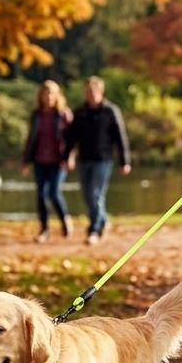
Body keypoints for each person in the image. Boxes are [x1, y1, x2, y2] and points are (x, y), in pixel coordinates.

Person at [64, 76, 131, 245]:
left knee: (95, 193)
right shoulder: (80, 112)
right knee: (87, 195)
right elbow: (72, 138)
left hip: (103, 159)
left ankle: (94, 229)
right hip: (84, 159)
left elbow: (120, 137)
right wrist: (66, 157)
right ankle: (103, 220)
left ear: (101, 92)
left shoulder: (110, 111)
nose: (91, 95)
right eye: (88, 92)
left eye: (94, 92)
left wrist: (125, 161)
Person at [21, 80, 73, 243]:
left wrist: (69, 157)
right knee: (41, 195)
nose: (48, 97)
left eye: (51, 93)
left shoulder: (64, 114)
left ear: (57, 96)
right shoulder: (36, 115)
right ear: (41, 96)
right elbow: (31, 139)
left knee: (54, 192)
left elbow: (72, 139)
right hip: (39, 160)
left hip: (58, 161)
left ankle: (65, 220)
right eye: (45, 94)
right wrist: (25, 160)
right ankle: (44, 229)